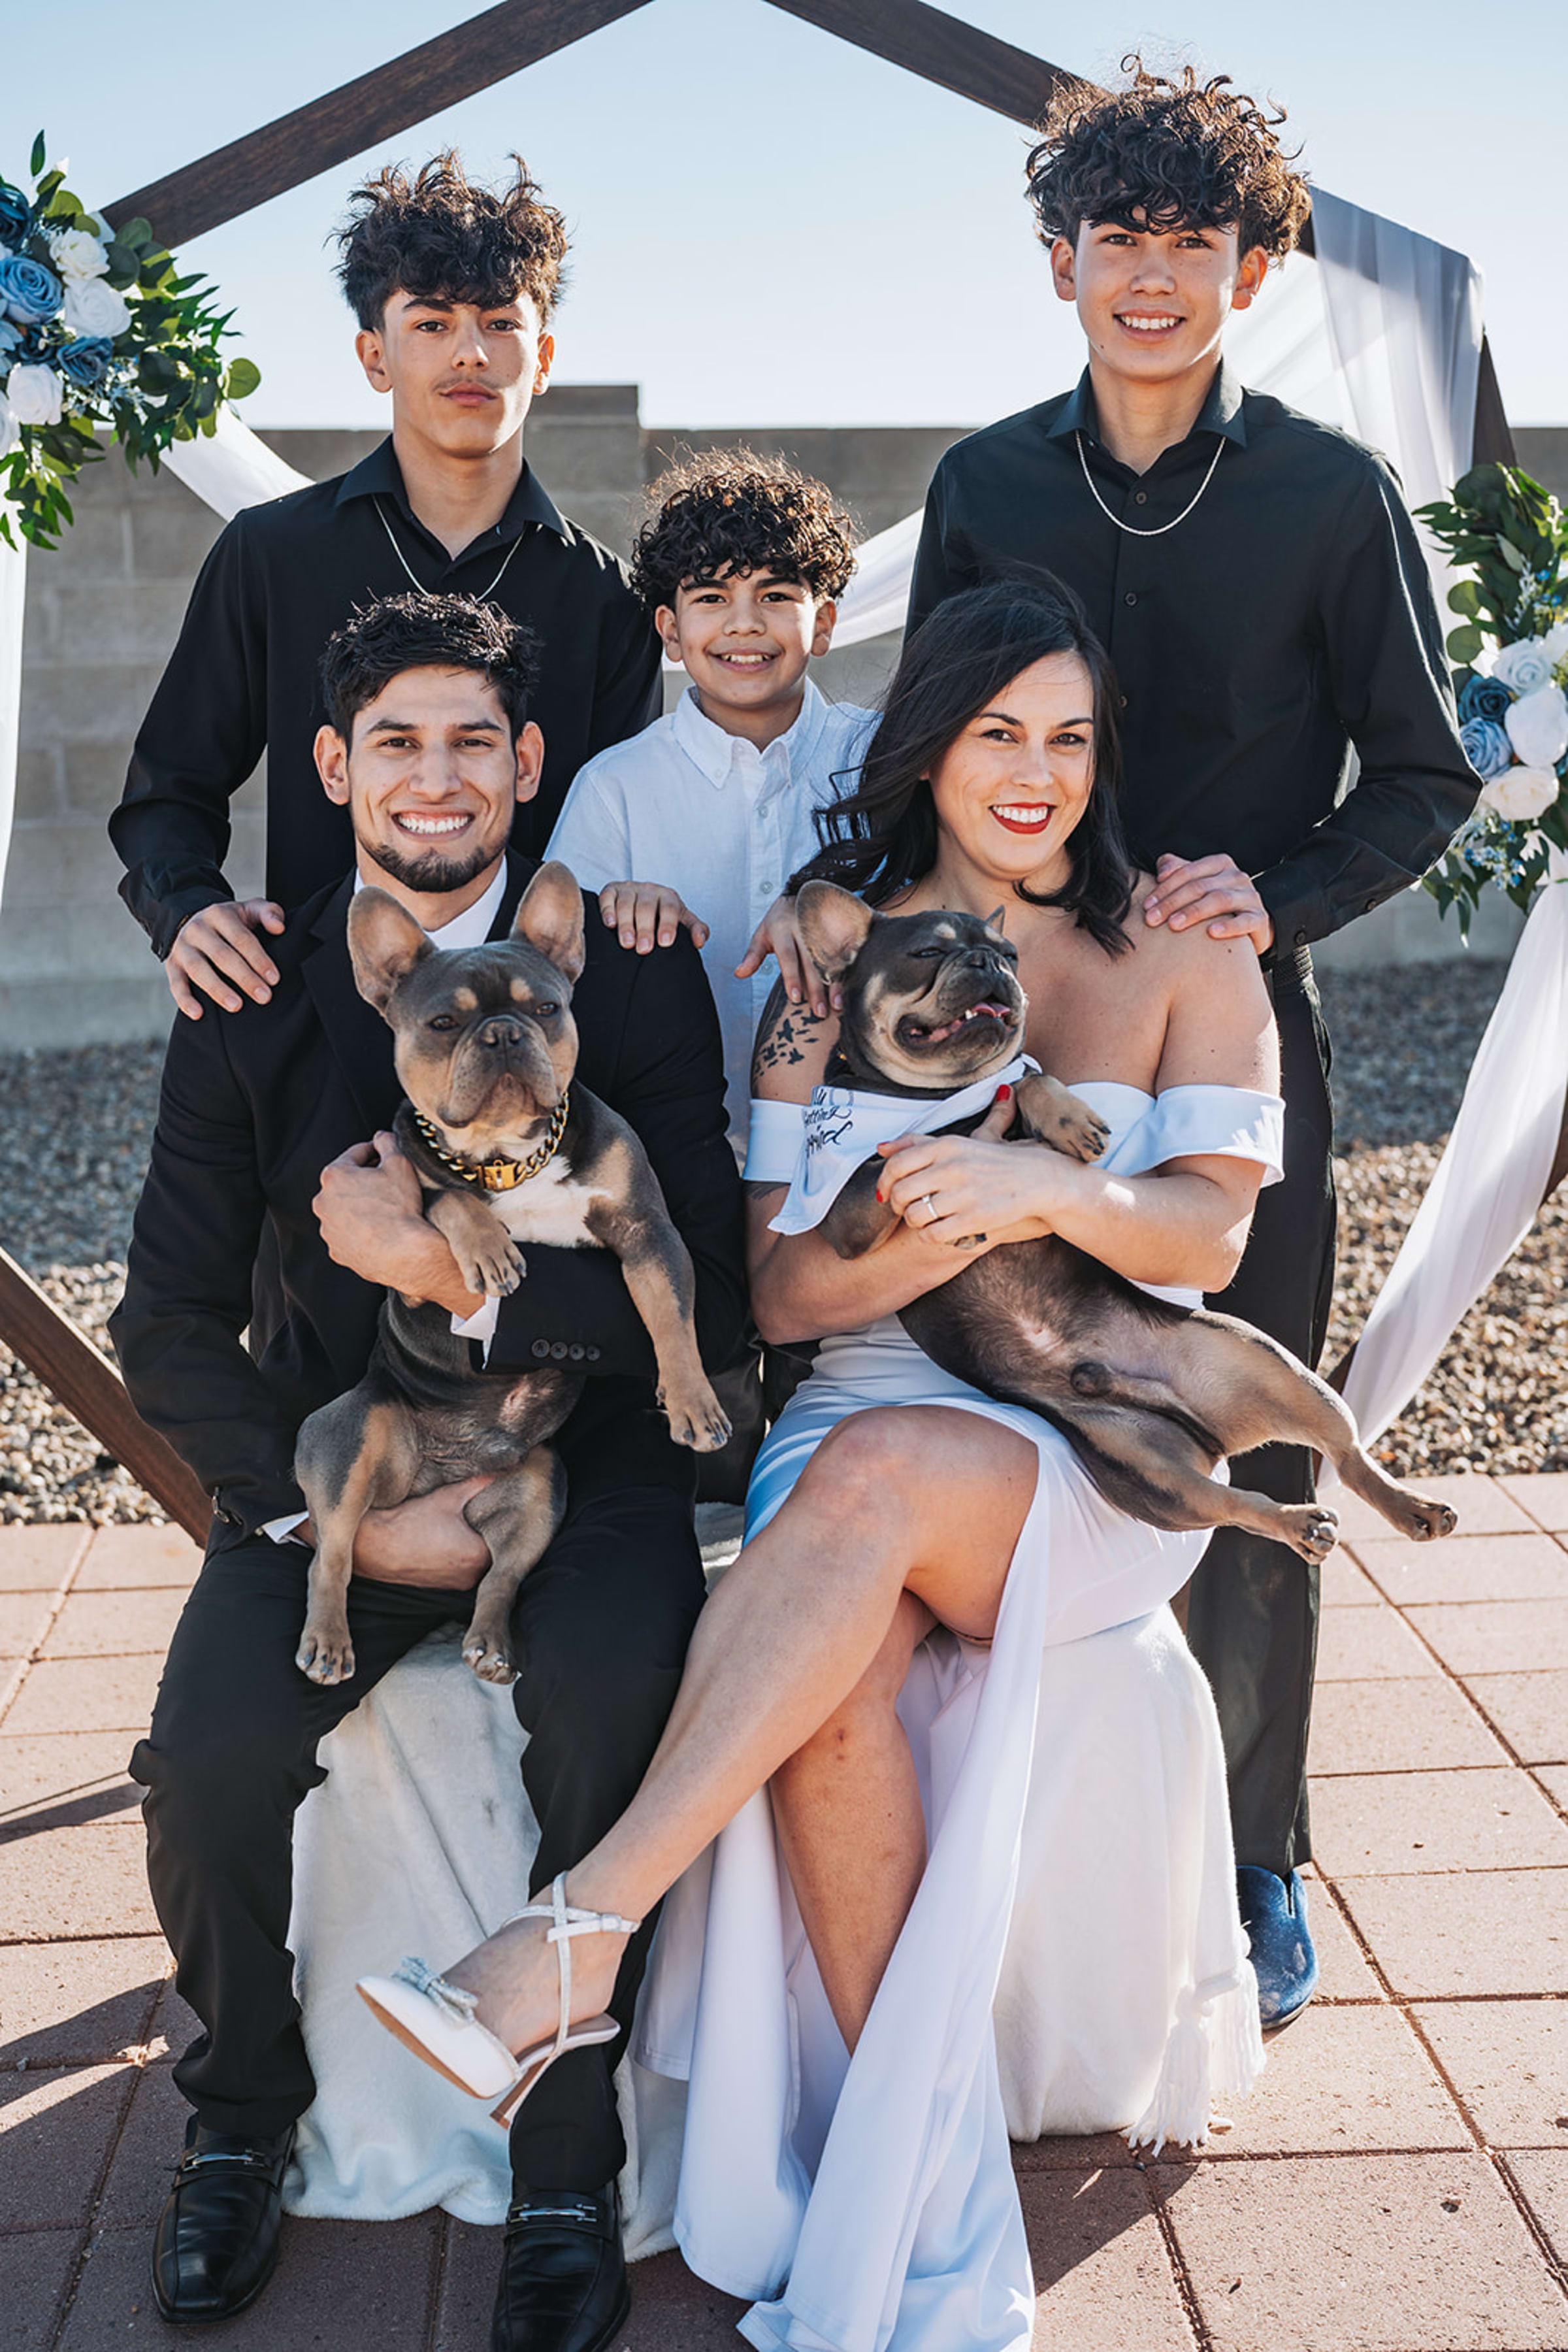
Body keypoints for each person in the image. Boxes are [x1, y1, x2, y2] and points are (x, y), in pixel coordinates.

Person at [357, 582, 1282, 2351]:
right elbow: (776, 1287)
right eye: (999, 732)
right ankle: (918, 2222)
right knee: (837, 1629)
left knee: (864, 1484)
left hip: (1086, 1447)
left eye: (1070, 737)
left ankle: (575, 1934)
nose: (1037, 773)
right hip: (848, 1409)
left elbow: (1212, 1242)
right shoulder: (821, 964)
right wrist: (922, 1227)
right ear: (927, 745)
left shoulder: (1186, 944)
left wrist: (1047, 1188)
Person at [905, 63, 1479, 2027]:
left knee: (1235, 1432)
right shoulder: (981, 486)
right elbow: (928, 745)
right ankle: (1019, 1854)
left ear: (1248, 266)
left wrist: (1279, 894)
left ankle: (1256, 1847)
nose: (1151, 277)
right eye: (1117, 240)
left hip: (1233, 1041)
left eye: (1191, 242)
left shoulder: (1332, 493)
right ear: (1060, 262)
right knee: (1017, 1413)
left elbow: (1424, 777)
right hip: (1011, 1040)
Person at [110, 592, 744, 2347]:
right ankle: (236, 2119)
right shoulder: (247, 985)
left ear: (530, 761)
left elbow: (715, 1292)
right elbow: (163, 1317)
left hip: (584, 1449)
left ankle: (566, 2159)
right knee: (212, 1759)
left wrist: (450, 1266)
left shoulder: (629, 959)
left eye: (476, 738)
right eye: (396, 738)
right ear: (333, 765)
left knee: (615, 1688)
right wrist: (332, 1506)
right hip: (350, 1459)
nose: (438, 773)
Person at [110, 151, 661, 1025]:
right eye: (433, 323)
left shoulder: (608, 597)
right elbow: (168, 788)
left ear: (543, 354)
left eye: (499, 323)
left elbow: (630, 836)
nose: (471, 351)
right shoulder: (270, 552)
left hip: (536, 1043)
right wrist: (187, 911)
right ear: (375, 354)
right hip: (316, 1014)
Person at [549, 448, 874, 1165]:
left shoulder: (883, 761)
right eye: (710, 597)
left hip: (860, 1155)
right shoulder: (615, 787)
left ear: (823, 624)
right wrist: (612, 910)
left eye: (777, 595)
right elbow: (552, 970)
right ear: (669, 630)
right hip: (673, 1164)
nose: (744, 624)